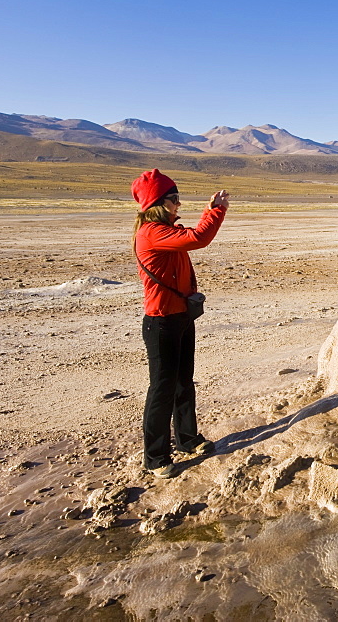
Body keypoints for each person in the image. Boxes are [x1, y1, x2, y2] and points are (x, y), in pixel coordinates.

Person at [131, 168, 230, 478]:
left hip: (181, 317)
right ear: (159, 202)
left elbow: (190, 240)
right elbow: (198, 237)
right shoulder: (152, 233)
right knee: (161, 389)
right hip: (161, 322)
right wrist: (214, 211)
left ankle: (188, 439)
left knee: (183, 383)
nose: (179, 204)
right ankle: (155, 456)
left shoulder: (166, 229)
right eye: (174, 198)